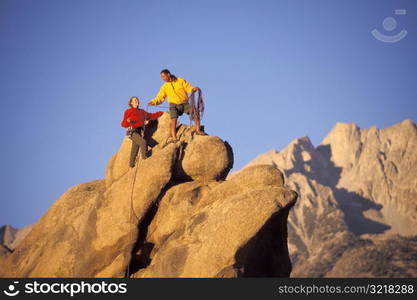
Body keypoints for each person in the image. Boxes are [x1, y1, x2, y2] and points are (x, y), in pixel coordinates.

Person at [147, 69, 206, 142]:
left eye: (163, 76)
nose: (163, 79)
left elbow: (188, 87)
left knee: (195, 113)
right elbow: (160, 97)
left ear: (168, 74)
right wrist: (153, 102)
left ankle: (198, 130)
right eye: (161, 77)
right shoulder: (164, 87)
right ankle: (174, 138)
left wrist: (193, 89)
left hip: (184, 103)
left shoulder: (180, 81)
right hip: (173, 105)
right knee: (173, 120)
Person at [121, 96, 163, 168]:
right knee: (143, 142)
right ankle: (144, 159)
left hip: (139, 132)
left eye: (137, 100)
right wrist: (128, 120)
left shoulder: (142, 112)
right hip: (132, 131)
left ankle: (131, 165)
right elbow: (123, 124)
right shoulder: (128, 111)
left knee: (135, 148)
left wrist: (161, 113)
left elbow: (151, 116)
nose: (136, 101)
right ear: (131, 103)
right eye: (134, 100)